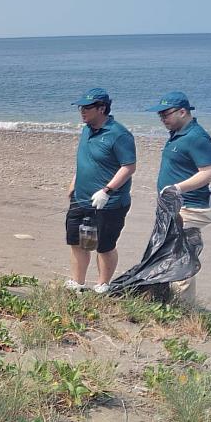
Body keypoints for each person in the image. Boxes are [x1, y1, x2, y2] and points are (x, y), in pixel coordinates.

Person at [147, 91, 211, 304]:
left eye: (166, 114)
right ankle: (171, 301)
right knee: (170, 252)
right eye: (160, 116)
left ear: (182, 111)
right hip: (175, 206)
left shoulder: (197, 137)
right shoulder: (179, 133)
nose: (162, 119)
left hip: (191, 207)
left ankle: (183, 308)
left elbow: (209, 172)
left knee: (181, 256)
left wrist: (177, 188)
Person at [65, 88, 137, 293]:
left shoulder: (119, 134)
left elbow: (129, 167)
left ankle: (102, 284)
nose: (82, 111)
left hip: (110, 202)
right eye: (81, 107)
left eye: (87, 108)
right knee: (76, 240)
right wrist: (74, 182)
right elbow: (86, 161)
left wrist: (107, 190)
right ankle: (77, 282)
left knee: (104, 244)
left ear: (102, 108)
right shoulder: (87, 129)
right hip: (81, 197)